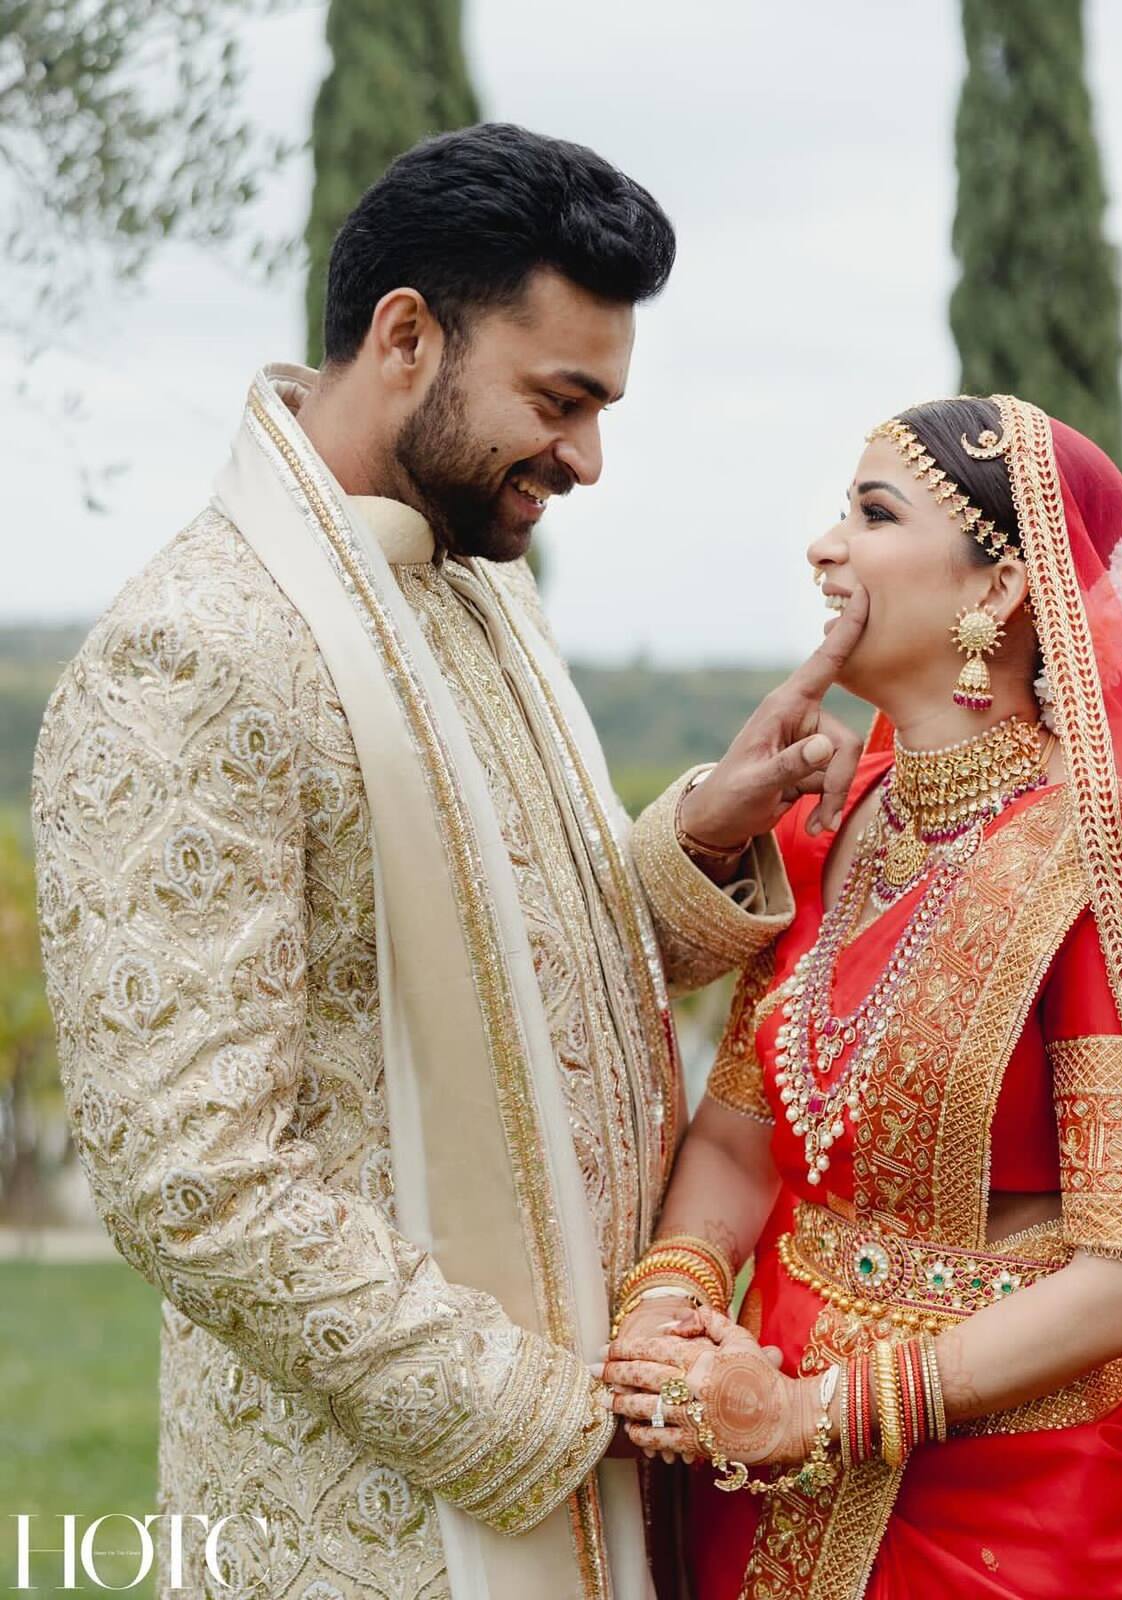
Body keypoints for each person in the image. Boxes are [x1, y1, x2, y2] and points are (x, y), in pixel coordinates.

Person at [28, 123, 866, 1600]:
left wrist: (697, 840)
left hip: (600, 1472)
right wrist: (544, 1413)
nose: (589, 459)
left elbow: (503, 960)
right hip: (383, 1520)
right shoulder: (200, 650)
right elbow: (193, 1173)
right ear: (407, 336)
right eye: (561, 399)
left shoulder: (476, 588)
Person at [602, 393, 1122, 1598]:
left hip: (1013, 1508)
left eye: (871, 513)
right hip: (761, 1470)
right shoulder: (826, 822)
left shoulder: (1094, 864)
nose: (824, 546)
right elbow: (741, 1139)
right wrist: (671, 1298)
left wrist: (816, 1412)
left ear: (998, 591)